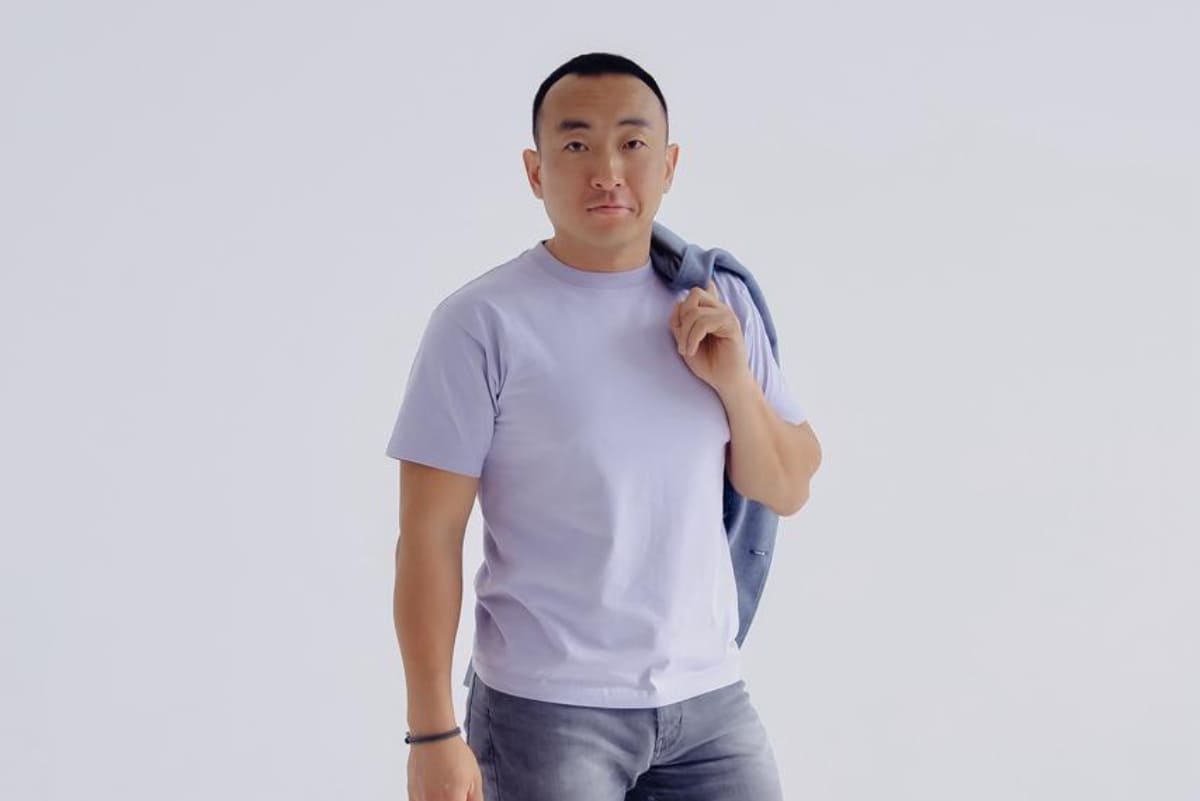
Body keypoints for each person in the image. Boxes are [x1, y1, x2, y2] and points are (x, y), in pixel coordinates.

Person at [389, 51, 822, 801]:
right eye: (576, 144)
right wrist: (431, 734)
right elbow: (429, 537)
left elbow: (786, 486)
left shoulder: (715, 302)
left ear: (669, 163)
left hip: (710, 703)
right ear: (535, 171)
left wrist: (732, 383)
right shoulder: (481, 323)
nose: (608, 171)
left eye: (632, 142)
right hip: (546, 712)